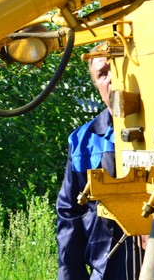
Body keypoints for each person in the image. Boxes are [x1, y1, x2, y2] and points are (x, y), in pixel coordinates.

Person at [56, 51, 144, 280]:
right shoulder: (82, 142)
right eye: (103, 74)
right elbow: (69, 214)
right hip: (105, 271)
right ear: (96, 84)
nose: (112, 80)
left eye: (116, 69)